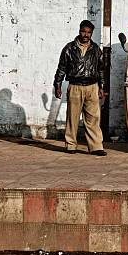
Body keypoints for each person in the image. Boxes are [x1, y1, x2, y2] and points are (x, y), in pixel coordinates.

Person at [53, 20, 107, 156]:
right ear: (79, 31)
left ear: (91, 34)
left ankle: (96, 146)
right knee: (73, 117)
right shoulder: (69, 48)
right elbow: (61, 68)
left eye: (89, 32)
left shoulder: (95, 50)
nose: (86, 35)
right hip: (75, 86)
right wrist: (57, 85)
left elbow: (100, 69)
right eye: (84, 31)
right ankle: (71, 145)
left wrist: (101, 86)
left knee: (93, 118)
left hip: (92, 87)